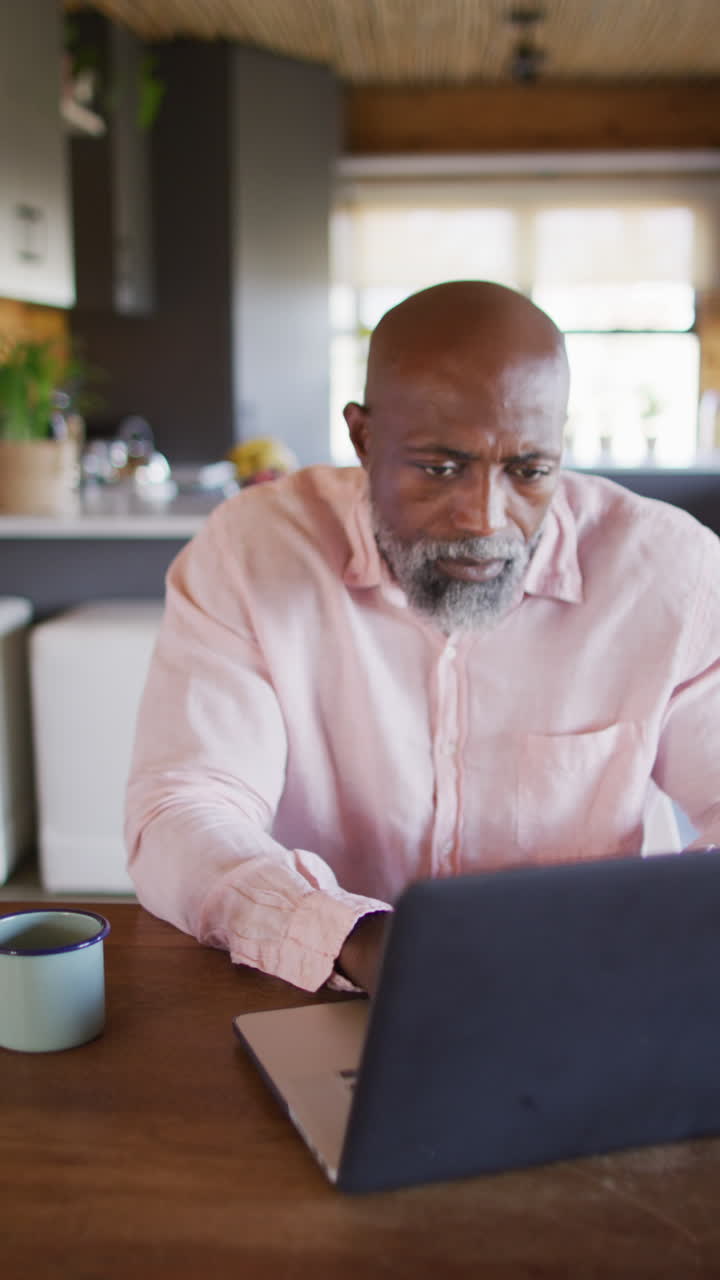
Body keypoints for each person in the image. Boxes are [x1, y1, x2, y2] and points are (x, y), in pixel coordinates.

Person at [125, 280, 720, 995]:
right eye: (440, 468)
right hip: (330, 993)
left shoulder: (670, 573)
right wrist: (350, 938)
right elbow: (183, 808)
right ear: (364, 437)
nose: (484, 519)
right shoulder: (250, 553)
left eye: (529, 471)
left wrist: (649, 946)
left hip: (594, 995)